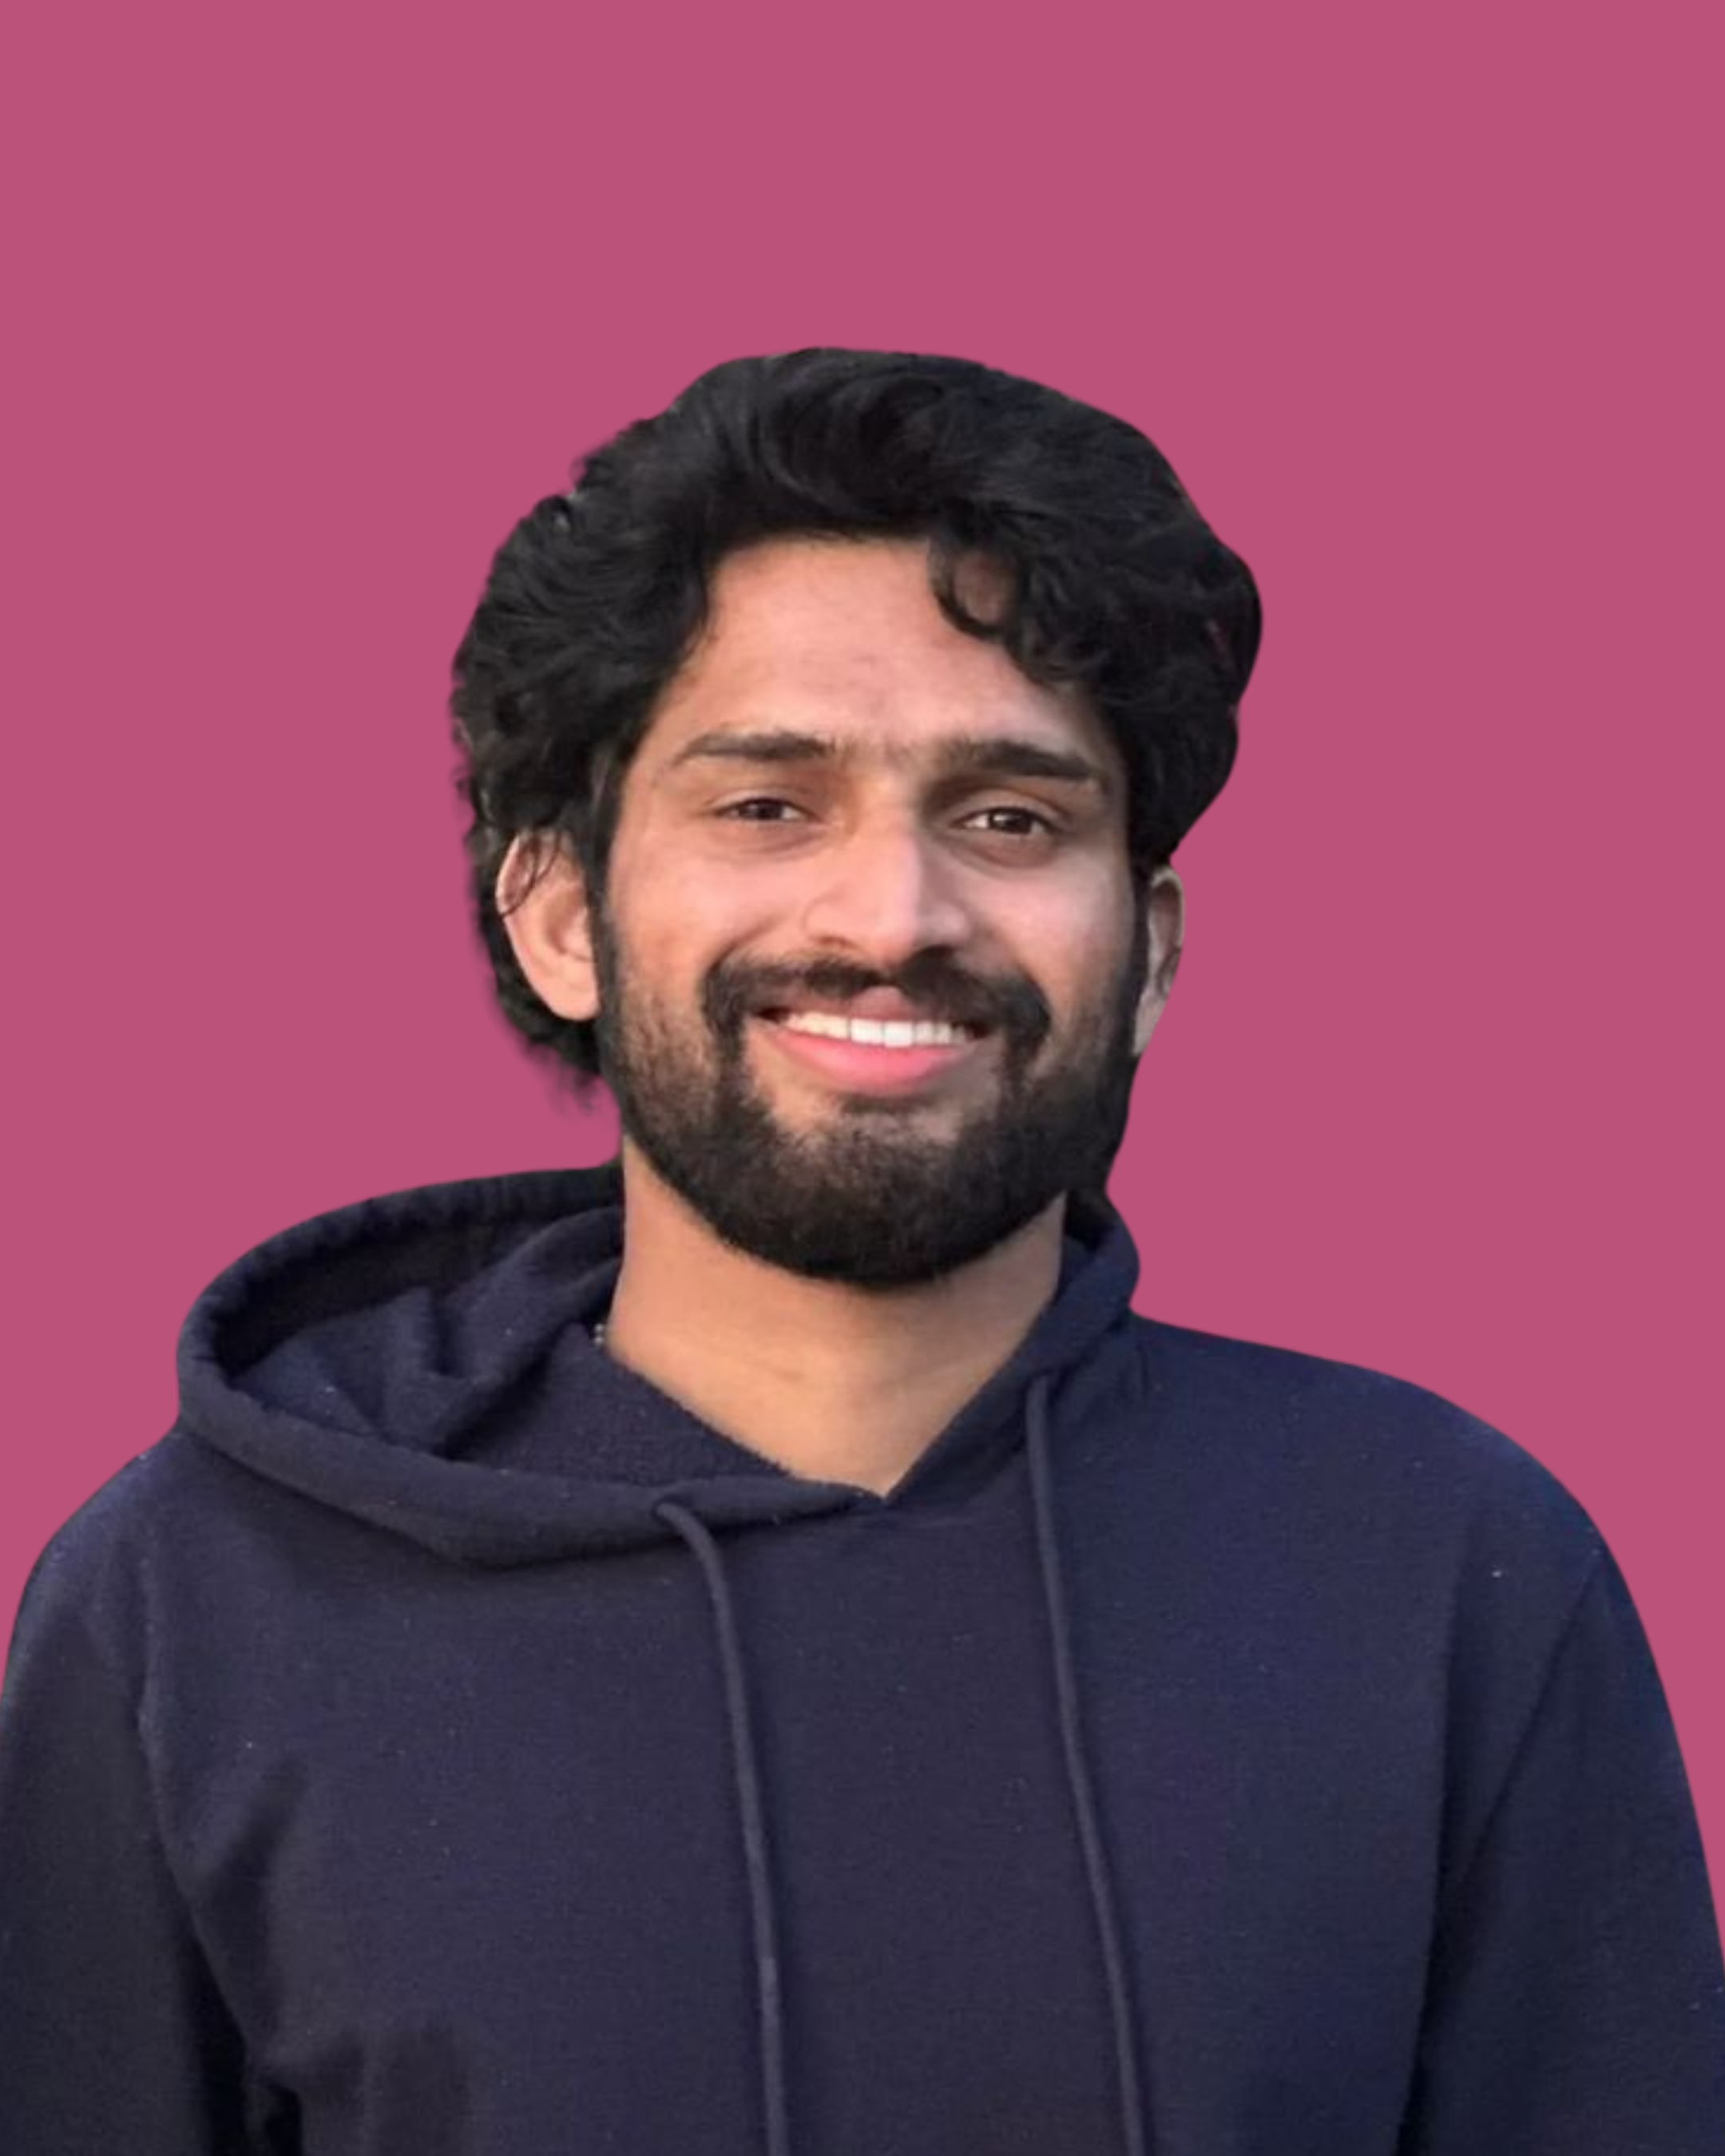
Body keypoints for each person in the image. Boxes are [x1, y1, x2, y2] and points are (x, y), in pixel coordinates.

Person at [2, 347, 1720, 2156]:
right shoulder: (194, 1603)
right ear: (564, 914)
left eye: (1009, 818)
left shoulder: (1444, 1564)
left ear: (1149, 952)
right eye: (766, 807)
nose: (892, 915)